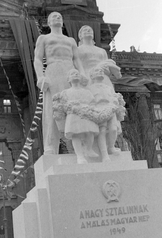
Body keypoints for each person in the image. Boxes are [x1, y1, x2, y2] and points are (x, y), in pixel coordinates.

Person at [34, 12, 85, 155]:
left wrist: (82, 74)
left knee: (74, 107)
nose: (57, 18)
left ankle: (76, 146)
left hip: (70, 72)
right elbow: (38, 59)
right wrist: (40, 77)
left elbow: (77, 60)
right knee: (53, 108)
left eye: (60, 17)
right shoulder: (44, 38)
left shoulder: (71, 41)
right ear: (48, 22)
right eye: (54, 17)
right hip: (53, 70)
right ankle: (50, 145)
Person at [77, 25, 124, 155]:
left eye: (90, 30)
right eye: (85, 30)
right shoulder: (78, 50)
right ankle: (90, 145)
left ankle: (111, 146)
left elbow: (108, 71)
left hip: (103, 80)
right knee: (92, 109)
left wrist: (105, 67)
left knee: (110, 109)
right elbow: (78, 66)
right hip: (88, 78)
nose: (88, 32)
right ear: (80, 35)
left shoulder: (101, 51)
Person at [53, 69, 99, 163]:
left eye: (77, 74)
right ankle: (80, 156)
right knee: (75, 134)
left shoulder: (87, 92)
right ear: (68, 79)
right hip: (73, 114)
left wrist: (90, 110)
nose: (75, 75)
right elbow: (62, 105)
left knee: (90, 132)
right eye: (72, 74)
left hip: (86, 113)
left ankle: (89, 149)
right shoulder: (65, 93)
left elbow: (93, 102)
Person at [89, 67, 125, 161]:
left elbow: (113, 98)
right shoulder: (90, 88)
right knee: (102, 132)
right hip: (99, 109)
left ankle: (111, 147)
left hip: (110, 108)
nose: (100, 72)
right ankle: (104, 155)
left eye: (101, 71)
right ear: (92, 76)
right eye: (97, 70)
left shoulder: (108, 88)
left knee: (113, 129)